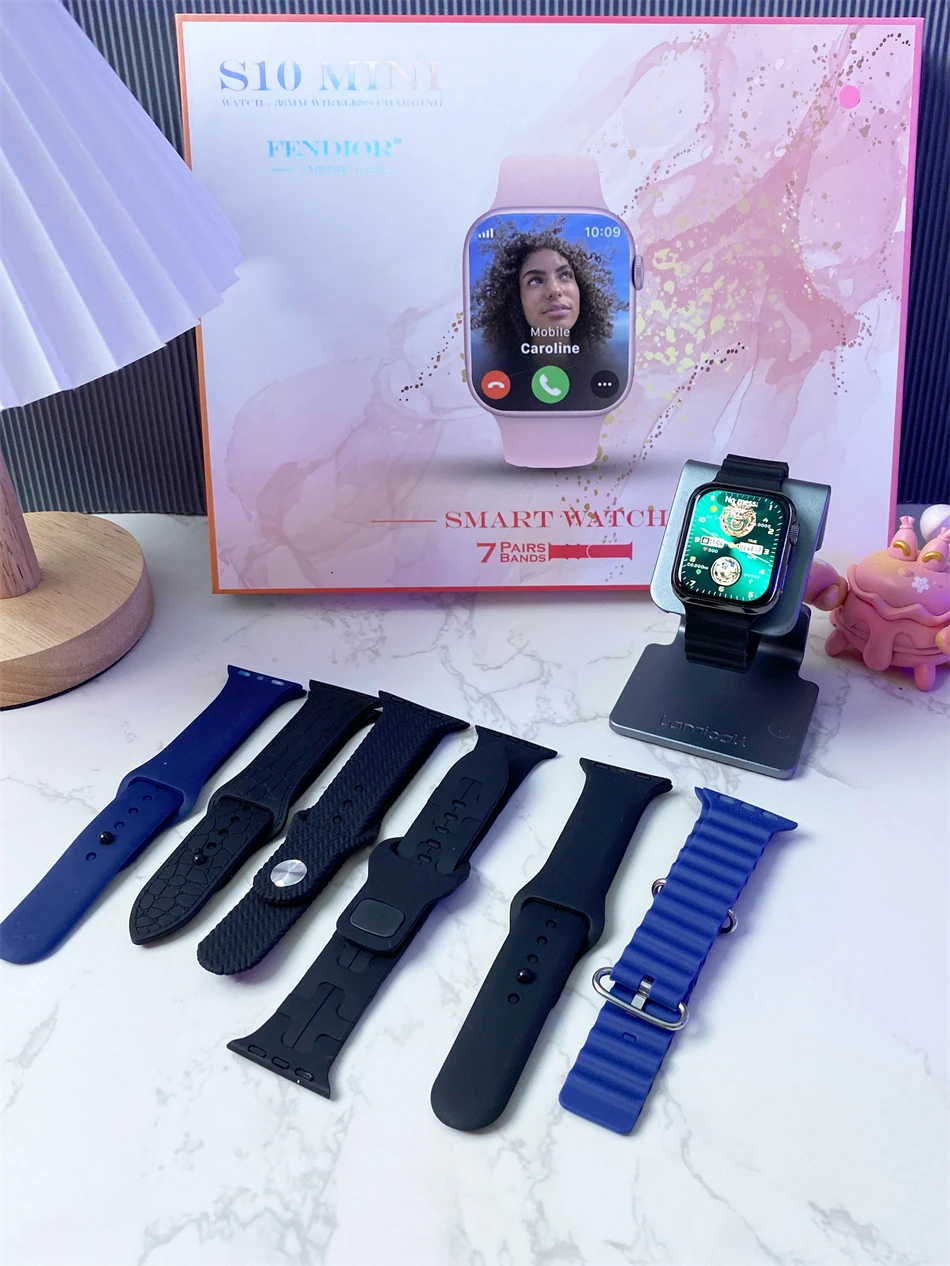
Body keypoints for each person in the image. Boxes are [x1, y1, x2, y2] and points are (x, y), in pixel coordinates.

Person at [471, 221, 623, 357]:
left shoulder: (610, 366)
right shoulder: (492, 373)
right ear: (516, 300)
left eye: (565, 275)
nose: (554, 290)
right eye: (535, 280)